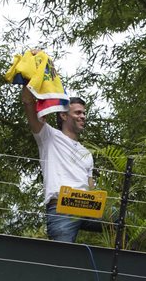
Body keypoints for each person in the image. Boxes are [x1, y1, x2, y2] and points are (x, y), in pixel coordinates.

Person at [21, 84, 99, 242]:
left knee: (127, 220)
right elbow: (28, 102)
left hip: (87, 205)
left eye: (84, 113)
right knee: (62, 257)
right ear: (63, 116)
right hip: (62, 207)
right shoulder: (48, 136)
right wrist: (31, 78)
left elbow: (90, 186)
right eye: (78, 112)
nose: (83, 116)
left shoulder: (87, 153)